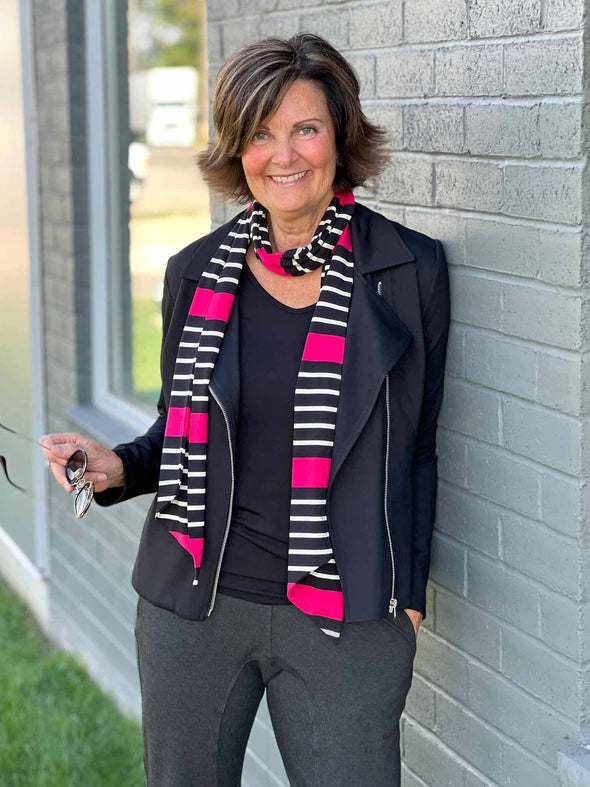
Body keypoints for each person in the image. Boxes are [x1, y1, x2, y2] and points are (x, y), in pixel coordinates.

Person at [40, 32, 450, 787]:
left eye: (305, 128)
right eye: (260, 133)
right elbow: (182, 430)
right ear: (236, 149)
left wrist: (407, 594)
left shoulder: (408, 270)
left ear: (340, 137)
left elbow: (420, 444)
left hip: (347, 612)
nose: (283, 155)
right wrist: (117, 467)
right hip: (195, 601)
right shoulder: (194, 272)